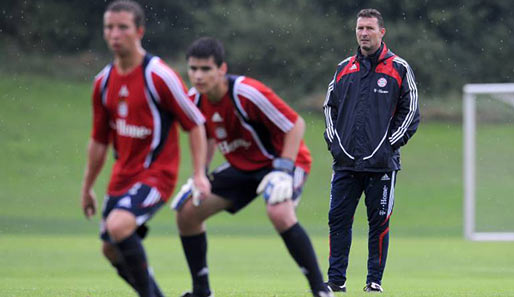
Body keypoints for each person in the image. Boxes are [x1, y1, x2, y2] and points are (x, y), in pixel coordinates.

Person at [170, 37, 333, 297]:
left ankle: (321, 291)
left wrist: (282, 170)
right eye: (193, 69)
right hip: (243, 168)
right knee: (188, 212)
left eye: (205, 69)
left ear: (221, 69)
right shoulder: (195, 100)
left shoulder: (246, 92)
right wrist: (199, 175)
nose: (198, 76)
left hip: (285, 160)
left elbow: (295, 125)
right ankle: (201, 292)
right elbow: (206, 137)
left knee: (279, 213)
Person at [80, 1, 210, 296]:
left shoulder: (159, 75)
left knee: (119, 226)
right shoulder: (102, 82)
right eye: (109, 28)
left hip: (156, 174)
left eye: (123, 27)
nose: (115, 34)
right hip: (121, 176)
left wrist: (199, 173)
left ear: (139, 31)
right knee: (110, 250)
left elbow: (195, 123)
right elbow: (99, 141)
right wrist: (87, 186)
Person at [322, 8, 420, 293]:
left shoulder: (399, 68)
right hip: (345, 164)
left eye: (369, 28)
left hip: (382, 166)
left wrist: (388, 145)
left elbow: (411, 111)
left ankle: (373, 281)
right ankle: (336, 282)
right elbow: (329, 107)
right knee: (338, 221)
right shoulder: (344, 68)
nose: (363, 33)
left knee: (378, 224)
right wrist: (336, 145)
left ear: (382, 32)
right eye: (359, 28)